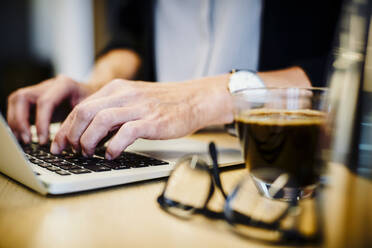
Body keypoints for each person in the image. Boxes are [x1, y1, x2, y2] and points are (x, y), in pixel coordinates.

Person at [7, 0, 342, 160]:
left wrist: (202, 100)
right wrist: (99, 87)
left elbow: (345, 62)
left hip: (275, 159)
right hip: (155, 154)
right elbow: (132, 33)